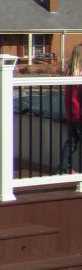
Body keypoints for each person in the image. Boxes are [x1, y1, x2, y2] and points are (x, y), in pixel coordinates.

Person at [58, 43, 82, 174]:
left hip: (72, 113)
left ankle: (64, 167)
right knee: (72, 141)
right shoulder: (79, 76)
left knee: (71, 141)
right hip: (79, 114)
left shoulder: (70, 73)